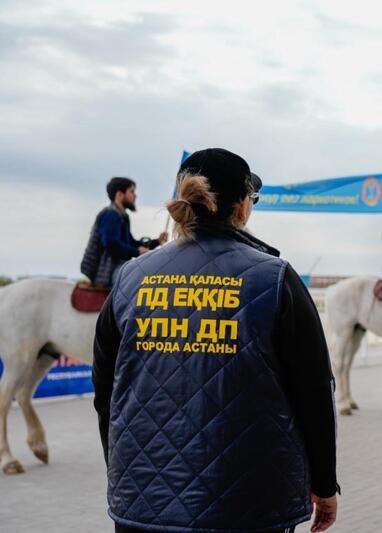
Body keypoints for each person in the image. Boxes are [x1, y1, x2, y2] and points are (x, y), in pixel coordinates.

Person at [92, 148, 338, 533]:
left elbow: (106, 393)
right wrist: (324, 484)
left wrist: (128, 474)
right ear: (242, 207)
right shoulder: (273, 278)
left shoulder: (130, 278)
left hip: (140, 504)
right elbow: (315, 394)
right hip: (250, 508)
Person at [80, 177, 167, 287]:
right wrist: (137, 252)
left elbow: (131, 243)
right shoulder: (110, 215)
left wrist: (157, 241)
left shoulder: (121, 217)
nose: (135, 195)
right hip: (106, 272)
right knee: (136, 284)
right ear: (120, 195)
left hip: (118, 267)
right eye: (131, 191)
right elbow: (111, 243)